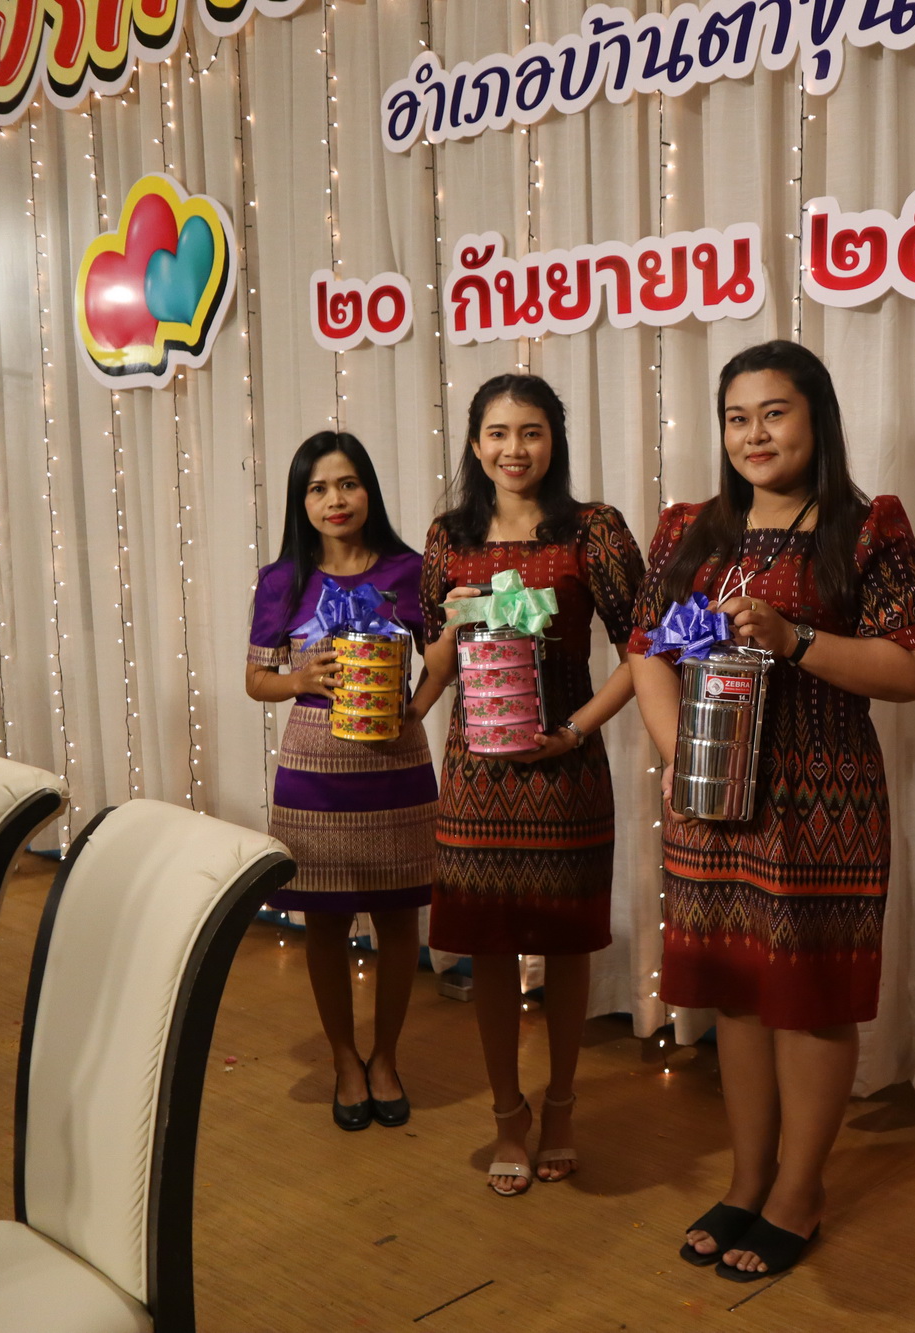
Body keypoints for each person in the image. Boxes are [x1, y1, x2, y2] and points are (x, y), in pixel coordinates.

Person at [627, 340, 915, 1282]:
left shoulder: (866, 527)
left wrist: (797, 637)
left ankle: (799, 1192)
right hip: (714, 801)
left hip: (823, 799)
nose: (754, 434)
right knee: (735, 992)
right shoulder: (689, 528)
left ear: (817, 419)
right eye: (738, 417)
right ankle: (747, 1179)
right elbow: (646, 648)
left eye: (774, 413)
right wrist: (681, 754)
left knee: (807, 1001)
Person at [408, 375, 643, 1197]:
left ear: (555, 440)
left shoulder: (594, 530)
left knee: (568, 943)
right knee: (490, 945)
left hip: (566, 766)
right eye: (499, 433)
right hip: (477, 771)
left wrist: (576, 727)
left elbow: (644, 650)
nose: (515, 449)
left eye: (532, 432)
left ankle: (563, 1104)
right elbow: (436, 661)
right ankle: (509, 1112)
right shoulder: (449, 538)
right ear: (476, 444)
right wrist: (452, 622)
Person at [245, 431, 436, 1132]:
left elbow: (442, 653)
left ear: (368, 491)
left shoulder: (409, 570)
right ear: (302, 502)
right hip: (314, 771)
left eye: (348, 483)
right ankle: (344, 1060)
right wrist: (299, 677)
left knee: (398, 920)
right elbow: (255, 678)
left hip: (395, 764)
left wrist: (418, 706)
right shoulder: (282, 579)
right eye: (319, 487)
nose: (335, 498)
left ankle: (386, 1057)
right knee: (323, 922)